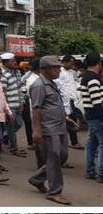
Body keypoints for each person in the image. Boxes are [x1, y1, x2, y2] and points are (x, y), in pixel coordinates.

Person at [28, 56, 71, 205]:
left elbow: (54, 105)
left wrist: (66, 118)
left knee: (62, 156)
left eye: (59, 67)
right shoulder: (39, 85)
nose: (58, 70)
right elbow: (36, 109)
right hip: (49, 128)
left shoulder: (52, 83)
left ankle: (36, 178)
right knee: (54, 159)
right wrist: (37, 130)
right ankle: (54, 192)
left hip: (60, 126)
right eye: (55, 68)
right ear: (44, 70)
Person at [78, 52, 103, 183]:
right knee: (101, 144)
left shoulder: (86, 77)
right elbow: (96, 102)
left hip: (91, 115)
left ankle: (90, 171)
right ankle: (101, 173)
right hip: (96, 116)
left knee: (91, 144)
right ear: (98, 63)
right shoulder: (93, 79)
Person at [0, 53, 27, 158]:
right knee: (11, 127)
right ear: (6, 63)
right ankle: (14, 148)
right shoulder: (4, 75)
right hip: (10, 105)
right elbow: (3, 93)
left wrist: (21, 102)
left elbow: (19, 88)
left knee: (19, 124)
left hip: (17, 103)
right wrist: (6, 108)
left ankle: (4, 138)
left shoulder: (18, 73)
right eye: (12, 61)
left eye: (14, 60)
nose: (15, 62)